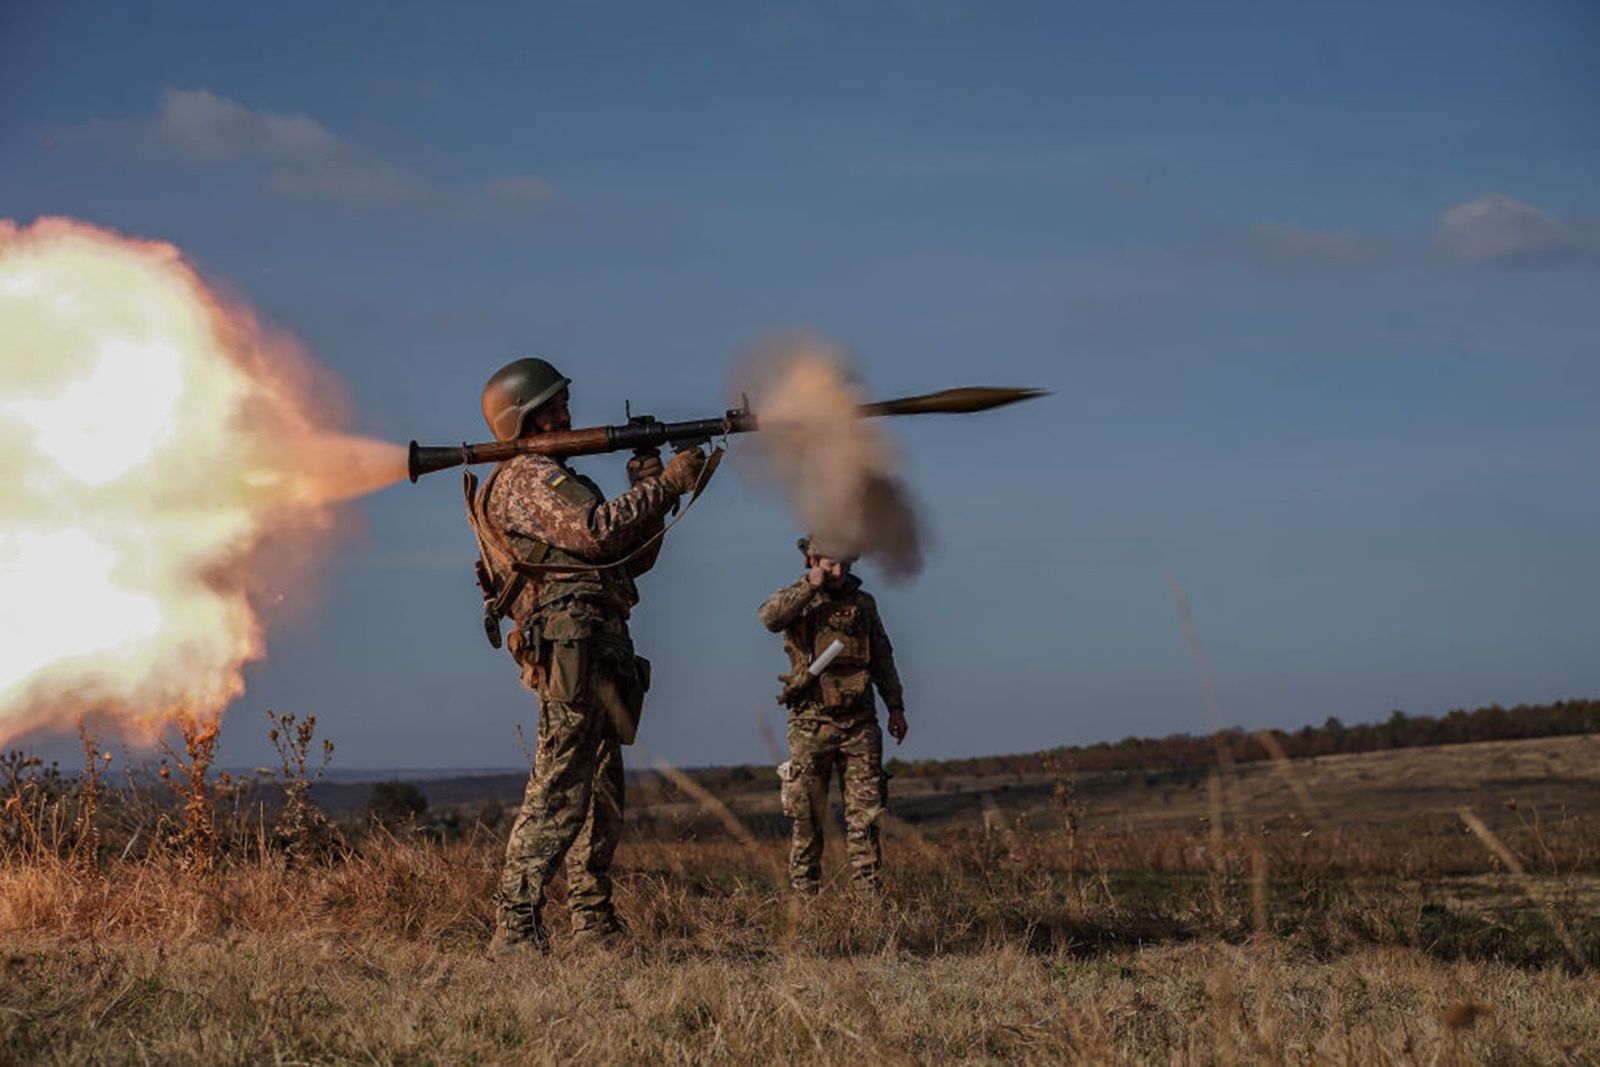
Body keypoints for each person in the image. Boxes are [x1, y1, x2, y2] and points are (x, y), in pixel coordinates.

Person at [469, 357, 706, 954]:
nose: (566, 415)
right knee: (559, 786)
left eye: (563, 403)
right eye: (551, 408)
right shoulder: (527, 477)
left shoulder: (555, 477)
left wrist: (651, 486)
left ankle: (592, 923)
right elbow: (596, 530)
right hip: (570, 641)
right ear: (523, 419)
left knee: (601, 792)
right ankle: (514, 927)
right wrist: (666, 485)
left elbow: (625, 558)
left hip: (598, 638)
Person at [758, 535, 908, 893]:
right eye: (830, 565)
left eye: (844, 564)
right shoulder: (796, 600)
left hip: (860, 724)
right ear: (812, 562)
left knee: (866, 818)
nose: (838, 572)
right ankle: (806, 906)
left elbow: (883, 658)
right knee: (806, 818)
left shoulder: (863, 605)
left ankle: (868, 905)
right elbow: (770, 618)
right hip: (810, 724)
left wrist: (896, 707)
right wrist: (810, 588)